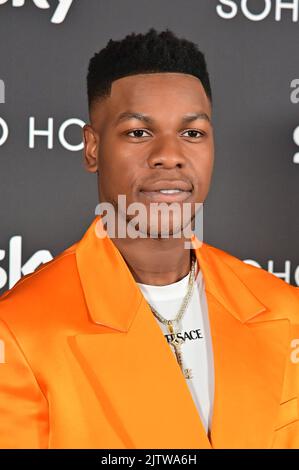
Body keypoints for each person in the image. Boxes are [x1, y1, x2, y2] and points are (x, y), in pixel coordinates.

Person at [0, 28, 298, 449]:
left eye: (192, 133)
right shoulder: (19, 331)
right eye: (139, 133)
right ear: (92, 148)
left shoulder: (287, 310)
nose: (170, 154)